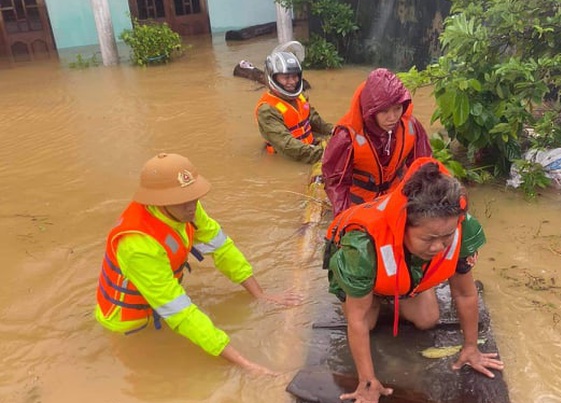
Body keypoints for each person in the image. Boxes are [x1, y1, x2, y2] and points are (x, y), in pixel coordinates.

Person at [324, 157, 504, 403]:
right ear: (402, 227)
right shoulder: (362, 246)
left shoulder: (460, 227)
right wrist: (367, 382)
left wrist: (470, 348)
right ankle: (380, 293)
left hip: (402, 273)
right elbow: (358, 320)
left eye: (447, 236)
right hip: (366, 272)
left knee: (428, 319)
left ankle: (411, 284)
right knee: (368, 321)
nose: (440, 247)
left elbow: (465, 293)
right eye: (429, 239)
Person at [95, 152, 300, 376]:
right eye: (183, 200)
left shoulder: (186, 209)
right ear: (160, 202)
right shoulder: (138, 245)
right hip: (131, 327)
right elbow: (180, 312)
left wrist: (260, 295)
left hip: (157, 305)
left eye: (194, 196)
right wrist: (244, 363)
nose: (193, 205)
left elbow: (222, 247)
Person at [321, 67, 432, 216]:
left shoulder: (411, 126)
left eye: (397, 108)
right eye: (384, 111)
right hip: (360, 208)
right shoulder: (346, 137)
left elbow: (423, 166)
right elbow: (336, 184)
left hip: (395, 200)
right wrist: (343, 219)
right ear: (370, 112)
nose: (392, 117)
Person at [254, 49, 333, 163]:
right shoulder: (267, 110)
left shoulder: (299, 97)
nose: (292, 82)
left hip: (309, 148)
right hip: (286, 159)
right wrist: (326, 155)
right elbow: (287, 145)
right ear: (273, 78)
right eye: (286, 77)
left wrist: (335, 131)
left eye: (295, 76)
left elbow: (315, 120)